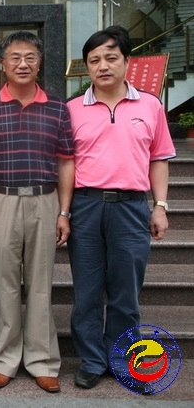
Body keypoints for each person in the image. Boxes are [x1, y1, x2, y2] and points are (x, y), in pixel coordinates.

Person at [66, 25, 175, 391]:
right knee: (87, 292)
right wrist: (64, 212)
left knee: (126, 293)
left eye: (111, 58)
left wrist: (159, 206)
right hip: (86, 207)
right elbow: (66, 166)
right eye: (94, 60)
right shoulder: (72, 109)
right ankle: (92, 361)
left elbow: (159, 159)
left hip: (131, 208)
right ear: (87, 66)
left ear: (127, 61)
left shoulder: (150, 105)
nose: (103, 66)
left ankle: (123, 360)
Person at [0, 31, 74, 393]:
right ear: (2, 64)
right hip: (0, 200)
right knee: (6, 284)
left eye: (30, 57)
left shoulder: (58, 109)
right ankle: (4, 360)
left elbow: (66, 162)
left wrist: (64, 212)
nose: (23, 64)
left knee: (41, 284)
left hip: (45, 200)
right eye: (15, 57)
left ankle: (42, 361)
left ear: (40, 63)